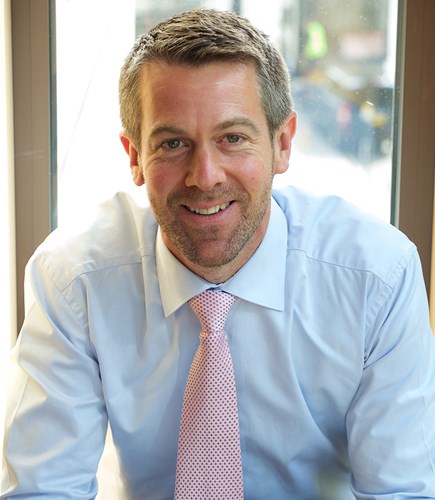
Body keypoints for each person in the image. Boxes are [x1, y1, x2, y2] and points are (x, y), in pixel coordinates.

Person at [2, 8, 435, 499]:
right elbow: (43, 489)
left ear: (283, 143)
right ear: (134, 156)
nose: (204, 176)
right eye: (172, 143)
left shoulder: (377, 277)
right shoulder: (73, 279)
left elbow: (401, 492)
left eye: (232, 138)